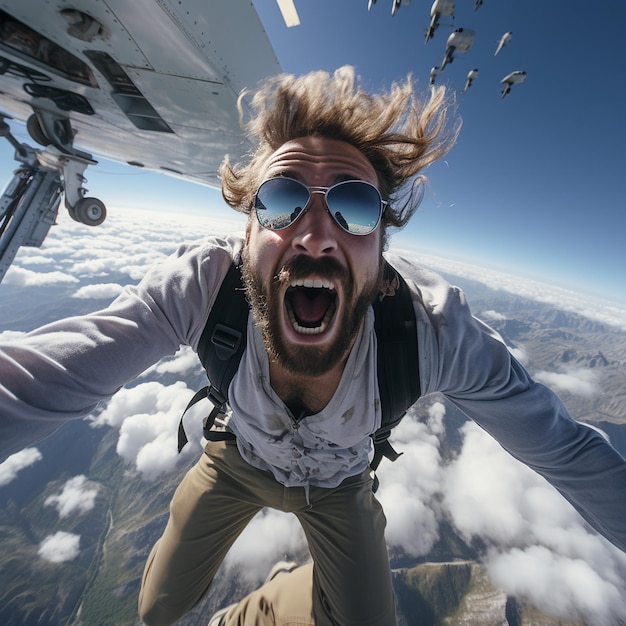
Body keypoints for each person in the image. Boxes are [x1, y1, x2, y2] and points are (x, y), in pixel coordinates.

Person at [1, 65, 625, 626]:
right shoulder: (205, 288)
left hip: (338, 486)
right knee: (156, 609)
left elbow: (566, 450)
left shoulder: (431, 332)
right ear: (245, 233)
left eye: (354, 206)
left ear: (382, 249)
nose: (317, 235)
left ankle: (275, 602)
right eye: (281, 200)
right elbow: (33, 380)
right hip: (235, 463)